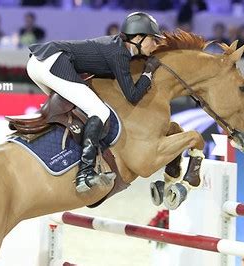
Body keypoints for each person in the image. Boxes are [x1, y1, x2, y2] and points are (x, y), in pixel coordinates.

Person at [26, 12, 162, 193]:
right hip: (52, 62)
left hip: (38, 63)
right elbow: (133, 95)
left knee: (75, 109)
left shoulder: (117, 47)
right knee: (99, 111)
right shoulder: (119, 53)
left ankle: (62, 155)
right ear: (137, 38)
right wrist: (148, 72)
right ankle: (85, 171)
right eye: (153, 39)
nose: (155, 44)